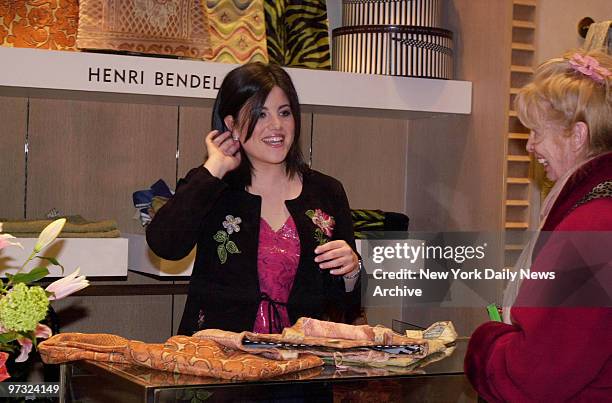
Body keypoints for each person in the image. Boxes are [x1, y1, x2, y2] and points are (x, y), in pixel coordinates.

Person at [146, 62, 362, 336]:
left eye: (284, 113)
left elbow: (345, 305)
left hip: (303, 365)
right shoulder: (212, 186)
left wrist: (352, 271)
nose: (276, 126)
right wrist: (214, 168)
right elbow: (165, 245)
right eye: (260, 114)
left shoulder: (326, 191)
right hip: (218, 363)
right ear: (231, 124)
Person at [465, 50, 612, 401]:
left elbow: (534, 376)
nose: (530, 146)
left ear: (577, 136)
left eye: (536, 132)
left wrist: (485, 343)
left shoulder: (592, 228)